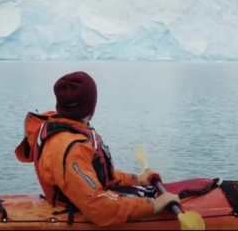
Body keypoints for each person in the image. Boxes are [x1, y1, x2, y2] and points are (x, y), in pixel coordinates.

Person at [14, 71, 181, 227]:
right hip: (78, 212)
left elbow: (99, 176)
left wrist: (137, 179)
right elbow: (99, 207)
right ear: (89, 106)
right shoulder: (72, 148)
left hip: (79, 198)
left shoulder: (67, 128)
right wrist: (155, 205)